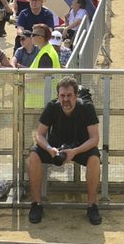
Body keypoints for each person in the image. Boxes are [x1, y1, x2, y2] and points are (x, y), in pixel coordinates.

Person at [27, 76, 102, 225]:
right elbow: (39, 134)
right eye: (62, 95)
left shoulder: (86, 107)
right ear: (58, 96)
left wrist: (75, 151)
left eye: (69, 95)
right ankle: (36, 204)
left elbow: (94, 139)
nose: (65, 99)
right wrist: (49, 149)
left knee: (94, 157)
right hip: (56, 147)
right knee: (34, 154)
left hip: (80, 147)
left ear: (76, 96)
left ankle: (92, 205)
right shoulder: (52, 106)